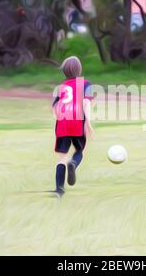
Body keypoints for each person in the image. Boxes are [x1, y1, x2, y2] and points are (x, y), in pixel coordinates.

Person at [52, 56, 93, 196]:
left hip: (63, 123)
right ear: (79, 69)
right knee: (79, 151)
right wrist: (88, 122)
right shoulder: (86, 84)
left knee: (62, 157)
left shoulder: (61, 87)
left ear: (64, 71)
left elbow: (55, 107)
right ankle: (73, 164)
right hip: (77, 122)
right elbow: (86, 103)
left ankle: (59, 189)